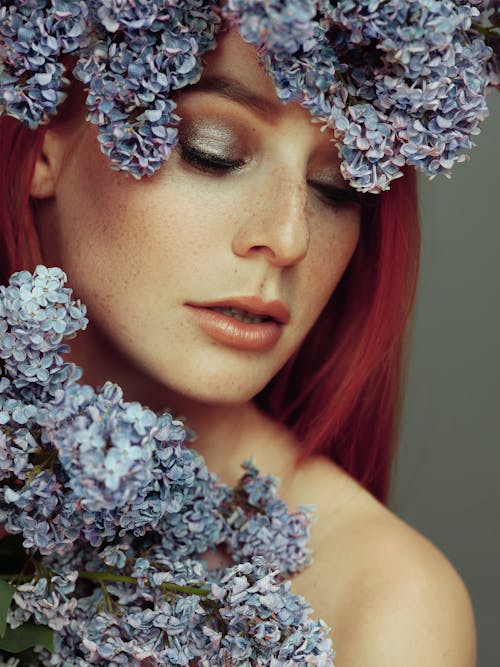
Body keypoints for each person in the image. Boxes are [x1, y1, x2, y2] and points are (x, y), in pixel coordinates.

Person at [0, 4, 487, 666]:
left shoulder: (384, 602)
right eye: (212, 150)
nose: (288, 238)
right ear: (46, 133)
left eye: (335, 187)